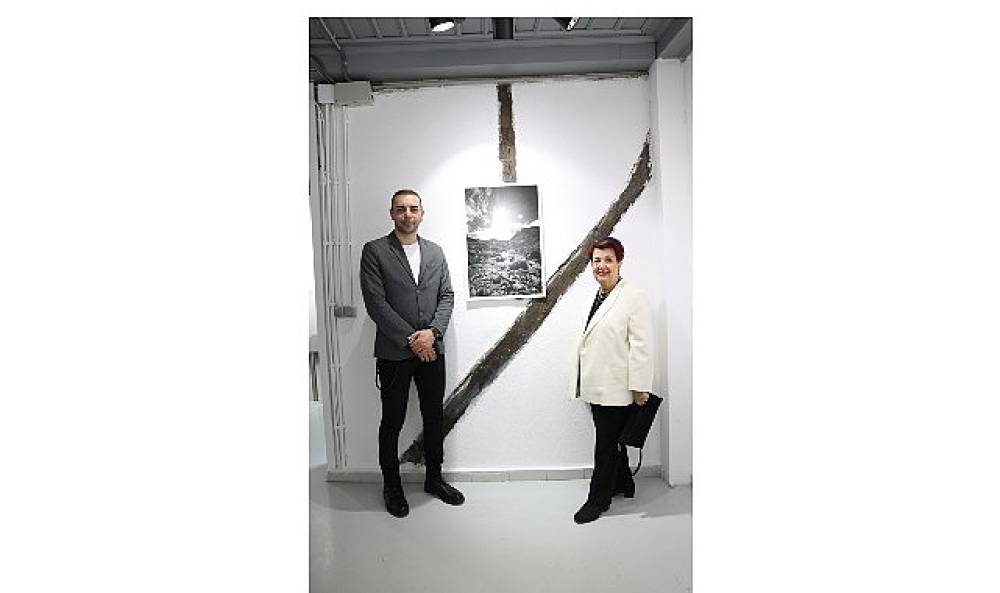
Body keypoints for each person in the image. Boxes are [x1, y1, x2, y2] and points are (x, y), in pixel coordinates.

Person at [359, 189, 465, 518]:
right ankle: (392, 486)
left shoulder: (435, 252)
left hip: (433, 350)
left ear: (422, 213)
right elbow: (375, 303)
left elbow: (447, 296)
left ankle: (434, 478)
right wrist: (412, 340)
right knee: (392, 421)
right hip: (394, 353)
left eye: (413, 209)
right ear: (391, 213)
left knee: (434, 416)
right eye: (401, 209)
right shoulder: (375, 251)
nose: (407, 214)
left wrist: (432, 333)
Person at [571, 236, 655, 524]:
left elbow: (642, 346)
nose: (602, 266)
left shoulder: (633, 297)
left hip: (617, 387)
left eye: (608, 259)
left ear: (620, 262)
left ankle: (598, 499)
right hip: (595, 384)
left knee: (605, 445)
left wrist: (640, 388)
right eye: (597, 260)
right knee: (612, 441)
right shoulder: (597, 296)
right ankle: (623, 483)